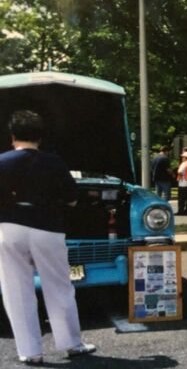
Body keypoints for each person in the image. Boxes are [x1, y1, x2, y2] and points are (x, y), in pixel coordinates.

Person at [0, 110, 96, 364]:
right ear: (40, 137)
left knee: (15, 288)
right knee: (58, 285)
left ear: (12, 137)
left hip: (9, 228)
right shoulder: (53, 162)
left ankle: (30, 351)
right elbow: (73, 199)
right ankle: (71, 344)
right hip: (47, 227)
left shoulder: (1, 162)